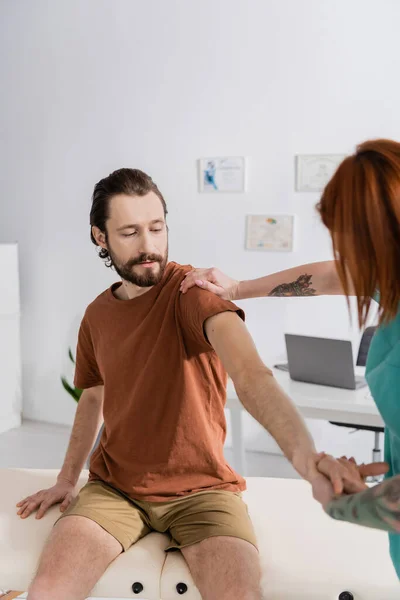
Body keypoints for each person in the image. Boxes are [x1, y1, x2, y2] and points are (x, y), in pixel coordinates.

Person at [16, 168, 373, 600]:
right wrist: (67, 477)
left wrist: (306, 458)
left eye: (157, 227)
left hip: (204, 493)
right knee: (48, 591)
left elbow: (251, 375)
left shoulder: (192, 293)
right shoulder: (97, 315)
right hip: (114, 489)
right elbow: (93, 395)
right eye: (129, 232)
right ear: (100, 237)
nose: (149, 246)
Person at [181, 138, 400, 577]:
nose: (347, 256)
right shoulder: (390, 274)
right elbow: (328, 276)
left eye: (350, 241)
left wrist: (343, 504)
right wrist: (238, 289)